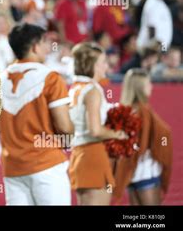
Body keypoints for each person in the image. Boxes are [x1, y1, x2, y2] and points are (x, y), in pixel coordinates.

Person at [0, 23, 74, 205]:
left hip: (13, 169)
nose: (48, 48)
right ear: (34, 46)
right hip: (47, 165)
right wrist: (70, 137)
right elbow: (64, 126)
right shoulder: (50, 78)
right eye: (45, 42)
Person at [68, 42, 128, 205]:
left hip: (79, 155)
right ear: (92, 65)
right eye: (103, 62)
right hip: (93, 154)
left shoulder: (75, 87)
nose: (106, 66)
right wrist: (119, 134)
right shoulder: (92, 90)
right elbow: (95, 130)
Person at [114, 69, 173, 205]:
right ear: (140, 87)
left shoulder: (122, 110)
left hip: (130, 171)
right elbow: (165, 133)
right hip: (146, 170)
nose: (151, 87)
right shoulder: (144, 111)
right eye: (148, 84)